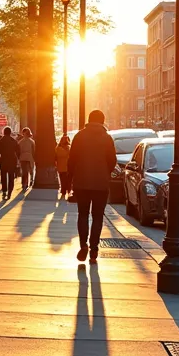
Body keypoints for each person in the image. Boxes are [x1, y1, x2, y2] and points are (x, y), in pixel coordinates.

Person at [67, 110, 117, 264]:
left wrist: (70, 180)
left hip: (82, 182)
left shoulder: (79, 136)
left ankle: (83, 245)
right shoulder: (107, 138)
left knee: (82, 214)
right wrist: (104, 172)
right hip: (101, 184)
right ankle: (94, 249)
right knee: (97, 216)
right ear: (102, 121)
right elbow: (112, 160)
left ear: (88, 120)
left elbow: (72, 160)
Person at [0, 127, 20, 200]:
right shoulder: (14, 141)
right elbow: (18, 151)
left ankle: (4, 191)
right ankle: (10, 192)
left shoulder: (0, 141)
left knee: (3, 177)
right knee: (11, 177)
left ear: (3, 132)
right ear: (10, 132)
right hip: (12, 160)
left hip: (3, 160)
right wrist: (18, 160)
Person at [55, 134, 73, 200]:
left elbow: (56, 157)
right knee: (68, 180)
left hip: (61, 167)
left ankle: (63, 191)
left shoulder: (57, 148)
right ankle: (68, 190)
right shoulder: (69, 148)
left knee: (62, 180)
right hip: (68, 167)